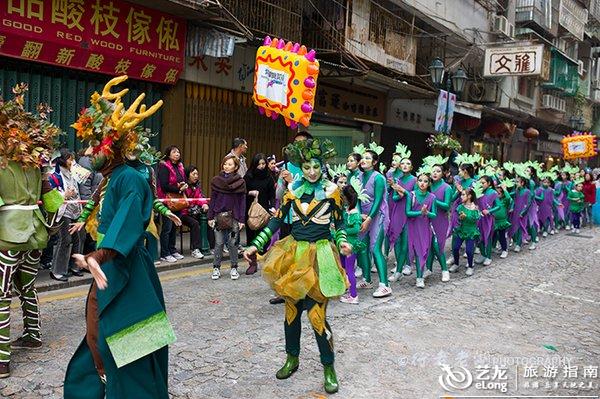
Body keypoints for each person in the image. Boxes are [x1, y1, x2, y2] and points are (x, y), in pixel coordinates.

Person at [65, 75, 174, 398]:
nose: (88, 151)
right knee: (98, 336)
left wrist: (100, 255)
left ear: (113, 145)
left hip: (127, 271)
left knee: (129, 343)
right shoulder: (108, 180)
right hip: (109, 268)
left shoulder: (131, 179)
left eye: (94, 144)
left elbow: (128, 222)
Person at [243, 138, 351, 394]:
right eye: (306, 167)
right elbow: (276, 221)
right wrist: (255, 245)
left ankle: (328, 367)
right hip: (293, 256)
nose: (311, 171)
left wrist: (343, 242)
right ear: (300, 167)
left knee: (317, 318)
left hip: (320, 258)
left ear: (322, 165)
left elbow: (340, 224)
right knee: (291, 315)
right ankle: (292, 358)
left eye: (315, 166)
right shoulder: (292, 191)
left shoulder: (332, 191)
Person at [0, 84, 62, 378]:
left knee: (1, 295)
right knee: (27, 287)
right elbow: (53, 199)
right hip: (35, 232)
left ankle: (2, 360)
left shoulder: (2, 162)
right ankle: (33, 334)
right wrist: (49, 224)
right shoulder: (37, 163)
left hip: (7, 235)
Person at [356, 147, 392, 298]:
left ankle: (385, 285)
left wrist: (369, 218)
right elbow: (356, 198)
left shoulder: (378, 178)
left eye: (368, 158)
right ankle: (367, 279)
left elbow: (378, 200)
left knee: (375, 248)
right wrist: (358, 216)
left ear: (375, 162)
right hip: (363, 215)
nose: (364, 160)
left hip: (378, 215)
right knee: (361, 247)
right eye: (363, 158)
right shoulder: (358, 176)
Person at [208, 155, 246, 280]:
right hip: (218, 216)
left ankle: (234, 267)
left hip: (234, 217)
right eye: (225, 164)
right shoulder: (216, 181)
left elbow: (242, 202)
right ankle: (216, 268)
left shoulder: (240, 182)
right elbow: (213, 200)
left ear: (235, 167)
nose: (226, 166)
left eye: (230, 164)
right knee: (218, 243)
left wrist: (241, 219)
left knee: (233, 243)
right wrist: (210, 217)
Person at [48, 148, 84, 281]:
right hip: (64, 211)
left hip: (75, 208)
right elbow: (51, 195)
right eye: (70, 158)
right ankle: (57, 271)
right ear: (62, 160)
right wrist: (65, 195)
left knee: (78, 239)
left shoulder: (73, 172)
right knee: (65, 240)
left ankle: (74, 267)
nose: (72, 161)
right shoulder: (54, 174)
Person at [387, 145, 416, 281]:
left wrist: (403, 192)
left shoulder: (415, 180)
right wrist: (398, 193)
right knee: (397, 240)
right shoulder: (397, 180)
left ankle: (402, 268)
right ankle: (399, 266)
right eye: (402, 163)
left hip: (409, 213)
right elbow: (394, 198)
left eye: (408, 163)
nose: (404, 165)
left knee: (406, 242)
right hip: (397, 212)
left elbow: (417, 197)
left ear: (411, 167)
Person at [405, 168, 437, 288]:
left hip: (424, 229)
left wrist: (427, 213)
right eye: (420, 180)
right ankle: (415, 274)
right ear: (417, 182)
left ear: (429, 183)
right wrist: (420, 213)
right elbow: (407, 212)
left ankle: (420, 277)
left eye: (425, 181)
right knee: (414, 251)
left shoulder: (432, 197)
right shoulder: (411, 195)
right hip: (412, 227)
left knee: (422, 252)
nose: (422, 183)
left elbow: (434, 215)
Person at [244, 153, 275, 274]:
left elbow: (272, 194)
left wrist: (272, 207)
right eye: (259, 164)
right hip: (250, 211)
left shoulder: (268, 177)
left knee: (265, 236)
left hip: (264, 211)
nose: (261, 166)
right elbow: (242, 192)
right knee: (251, 236)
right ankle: (252, 263)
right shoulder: (248, 177)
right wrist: (250, 193)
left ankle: (262, 252)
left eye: (263, 164)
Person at [157, 145, 187, 263]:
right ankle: (165, 253)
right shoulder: (164, 166)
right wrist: (178, 189)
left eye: (178, 152)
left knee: (175, 226)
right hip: (167, 200)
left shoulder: (180, 167)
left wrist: (183, 186)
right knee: (167, 227)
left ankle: (172, 250)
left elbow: (180, 181)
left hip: (177, 201)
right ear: (168, 155)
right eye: (174, 152)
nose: (177, 154)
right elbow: (164, 186)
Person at [424, 156, 451, 282]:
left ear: (443, 173)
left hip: (440, 220)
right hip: (427, 219)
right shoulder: (428, 186)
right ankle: (428, 268)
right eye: (433, 171)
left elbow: (447, 206)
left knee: (437, 246)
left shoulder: (447, 188)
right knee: (428, 244)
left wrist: (434, 199)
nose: (435, 173)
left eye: (438, 171)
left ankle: (445, 270)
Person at [339, 182, 365, 304]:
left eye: (343, 196)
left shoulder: (354, 212)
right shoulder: (348, 210)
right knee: (344, 268)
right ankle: (349, 291)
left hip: (350, 245)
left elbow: (356, 229)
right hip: (344, 243)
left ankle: (353, 296)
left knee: (349, 270)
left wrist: (342, 231)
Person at [449, 188, 481, 276]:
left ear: (469, 196)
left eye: (463, 195)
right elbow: (458, 218)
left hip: (471, 231)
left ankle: (470, 266)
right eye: (461, 194)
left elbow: (476, 219)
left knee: (469, 251)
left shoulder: (475, 208)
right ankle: (456, 263)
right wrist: (461, 218)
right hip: (461, 230)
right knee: (455, 248)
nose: (461, 196)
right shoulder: (460, 207)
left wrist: (466, 216)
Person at [181, 165, 209, 259]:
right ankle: (195, 249)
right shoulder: (183, 186)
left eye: (197, 174)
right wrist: (194, 202)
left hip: (193, 212)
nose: (196, 176)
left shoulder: (196, 186)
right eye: (194, 174)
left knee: (209, 219)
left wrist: (204, 204)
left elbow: (199, 197)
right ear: (188, 175)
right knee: (195, 223)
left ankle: (209, 247)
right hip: (183, 213)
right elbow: (185, 202)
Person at [475, 175, 500, 266]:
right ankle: (483, 254)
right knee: (478, 237)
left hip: (488, 219)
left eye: (483, 183)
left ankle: (488, 257)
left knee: (488, 237)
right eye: (480, 183)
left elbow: (498, 206)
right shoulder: (477, 192)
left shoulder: (493, 192)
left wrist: (489, 211)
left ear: (489, 183)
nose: (481, 184)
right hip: (478, 218)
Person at [492, 180, 513, 259]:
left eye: (499, 194)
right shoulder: (494, 201)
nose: (497, 195)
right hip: (494, 221)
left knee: (501, 236)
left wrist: (505, 189)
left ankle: (504, 250)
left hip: (502, 222)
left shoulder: (505, 201)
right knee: (493, 235)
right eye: (496, 193)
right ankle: (493, 247)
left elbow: (508, 198)